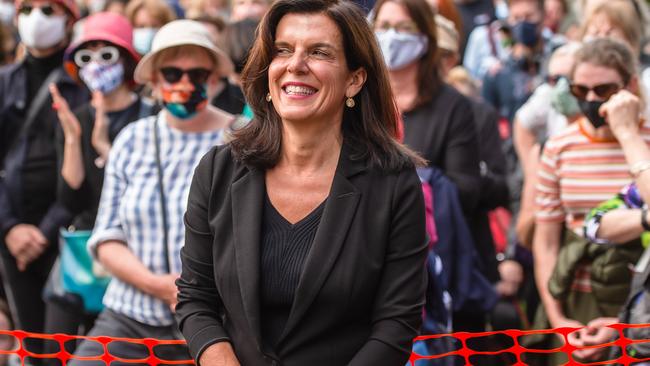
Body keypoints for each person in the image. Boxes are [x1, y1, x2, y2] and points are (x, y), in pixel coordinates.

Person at [175, 0, 428, 365]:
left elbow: (396, 323)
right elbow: (196, 300)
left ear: (354, 80)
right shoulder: (220, 170)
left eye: (319, 52)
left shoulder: (392, 182)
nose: (296, 65)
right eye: (283, 50)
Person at [68, 19, 234, 365]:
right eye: (173, 73)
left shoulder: (242, 141)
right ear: (155, 81)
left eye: (197, 74)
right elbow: (107, 235)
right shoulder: (132, 139)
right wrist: (156, 284)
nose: (185, 84)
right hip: (127, 318)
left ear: (214, 80)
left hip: (213, 323)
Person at [533, 38, 650, 363]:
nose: (591, 99)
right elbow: (546, 243)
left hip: (636, 303)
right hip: (574, 302)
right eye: (580, 90)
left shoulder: (644, 143)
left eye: (604, 90)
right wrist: (558, 320)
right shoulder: (560, 147)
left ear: (630, 86)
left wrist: (623, 322)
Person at [45, 11, 152, 342]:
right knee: (57, 334)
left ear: (126, 62)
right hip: (82, 249)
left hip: (132, 252)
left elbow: (144, 192)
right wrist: (75, 140)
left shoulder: (149, 116)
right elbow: (70, 198)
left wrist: (105, 147)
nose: (96, 64)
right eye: (86, 55)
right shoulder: (74, 117)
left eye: (106, 54)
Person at [0, 0, 87, 357]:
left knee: (60, 347)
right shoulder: (5, 81)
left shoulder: (85, 85)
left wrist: (44, 231)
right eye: (27, 9)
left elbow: (86, 174)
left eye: (49, 10)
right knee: (29, 345)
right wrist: (9, 228)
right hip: (10, 239)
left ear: (70, 21)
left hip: (64, 237)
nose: (36, 19)